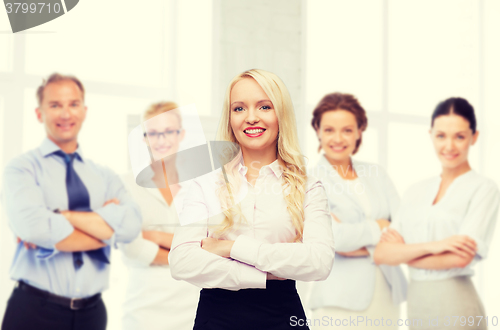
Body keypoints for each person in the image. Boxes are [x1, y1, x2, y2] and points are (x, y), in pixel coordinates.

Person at [168, 69, 335, 330]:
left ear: (281, 114)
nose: (251, 118)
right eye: (239, 108)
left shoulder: (309, 187)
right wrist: (265, 274)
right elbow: (181, 260)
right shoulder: (206, 183)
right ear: (230, 118)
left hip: (283, 317)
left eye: (264, 106)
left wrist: (229, 248)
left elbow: (319, 262)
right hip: (217, 317)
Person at [1, 73, 142, 330]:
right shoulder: (22, 169)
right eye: (55, 105)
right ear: (39, 113)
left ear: (84, 110)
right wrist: (105, 224)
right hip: (34, 311)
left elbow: (132, 226)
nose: (65, 114)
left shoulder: (105, 176)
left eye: (73, 104)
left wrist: (61, 216)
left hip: (93, 313)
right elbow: (35, 228)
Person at [374, 97, 500, 330]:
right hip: (417, 304)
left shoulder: (484, 188)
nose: (449, 146)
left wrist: (402, 252)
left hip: (457, 304)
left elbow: (461, 257)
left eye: (459, 136)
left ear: (475, 137)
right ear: (431, 134)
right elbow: (381, 254)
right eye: (441, 135)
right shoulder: (415, 191)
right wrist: (436, 246)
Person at [307, 93, 406, 329]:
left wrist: (356, 241)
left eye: (347, 130)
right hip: (339, 300)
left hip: (387, 293)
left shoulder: (377, 173)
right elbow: (334, 239)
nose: (338, 138)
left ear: (360, 131)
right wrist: (380, 226)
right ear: (318, 130)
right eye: (329, 130)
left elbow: (404, 227)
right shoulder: (308, 180)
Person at [119, 101, 199, 330]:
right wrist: (187, 254)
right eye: (153, 133)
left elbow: (206, 243)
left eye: (168, 132)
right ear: (144, 137)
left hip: (191, 303)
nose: (161, 140)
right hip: (143, 305)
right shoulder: (125, 184)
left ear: (181, 134)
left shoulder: (200, 185)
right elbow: (130, 246)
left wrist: (152, 236)